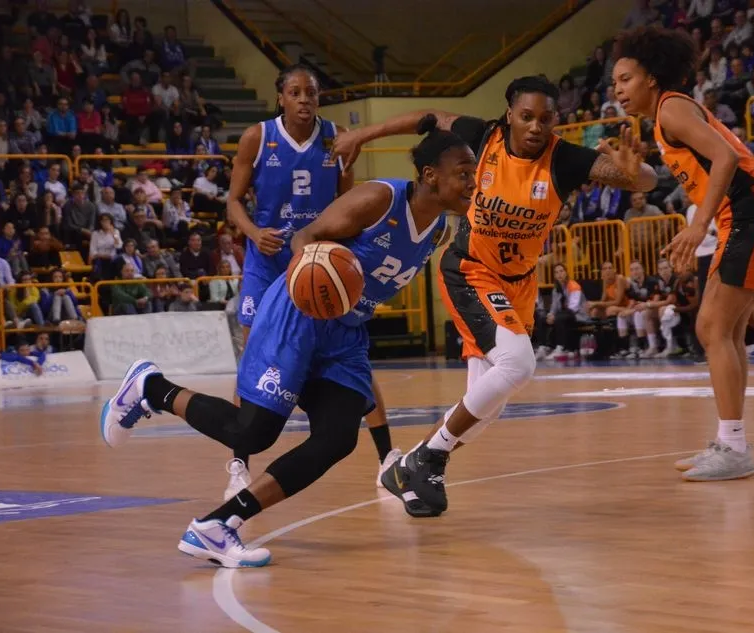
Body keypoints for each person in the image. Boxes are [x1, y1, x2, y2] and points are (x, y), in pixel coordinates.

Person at [99, 117, 477, 567]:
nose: (473, 182)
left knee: (337, 438)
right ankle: (150, 388)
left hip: (345, 334)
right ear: (430, 175)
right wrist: (322, 279)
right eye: (464, 173)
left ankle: (217, 525)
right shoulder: (381, 199)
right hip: (299, 314)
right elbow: (304, 238)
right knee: (253, 433)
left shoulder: (439, 229)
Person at [333, 75, 657, 517]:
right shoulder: (481, 138)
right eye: (526, 117)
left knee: (486, 409)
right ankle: (427, 458)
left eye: (545, 118)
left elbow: (640, 181)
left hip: (518, 284)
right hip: (471, 270)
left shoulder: (564, 158)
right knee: (518, 364)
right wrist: (362, 135)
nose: (536, 126)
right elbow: (427, 117)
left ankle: (408, 469)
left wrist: (638, 173)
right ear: (509, 116)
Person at [613, 26, 754, 481]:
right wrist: (634, 173)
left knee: (712, 327)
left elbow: (726, 158)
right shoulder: (664, 116)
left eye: (625, 79)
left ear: (652, 77)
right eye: (615, 82)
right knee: (724, 330)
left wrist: (697, 225)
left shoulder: (671, 108)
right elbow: (694, 169)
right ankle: (731, 441)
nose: (617, 89)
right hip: (745, 215)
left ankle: (733, 446)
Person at [223, 63, 398, 498]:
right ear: (280, 97)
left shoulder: (338, 138)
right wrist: (253, 233)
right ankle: (238, 464)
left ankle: (387, 459)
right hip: (268, 259)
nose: (304, 100)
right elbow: (233, 201)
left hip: (319, 260)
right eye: (296, 92)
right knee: (252, 355)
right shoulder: (257, 137)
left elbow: (348, 203)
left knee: (351, 351)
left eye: (312, 93)